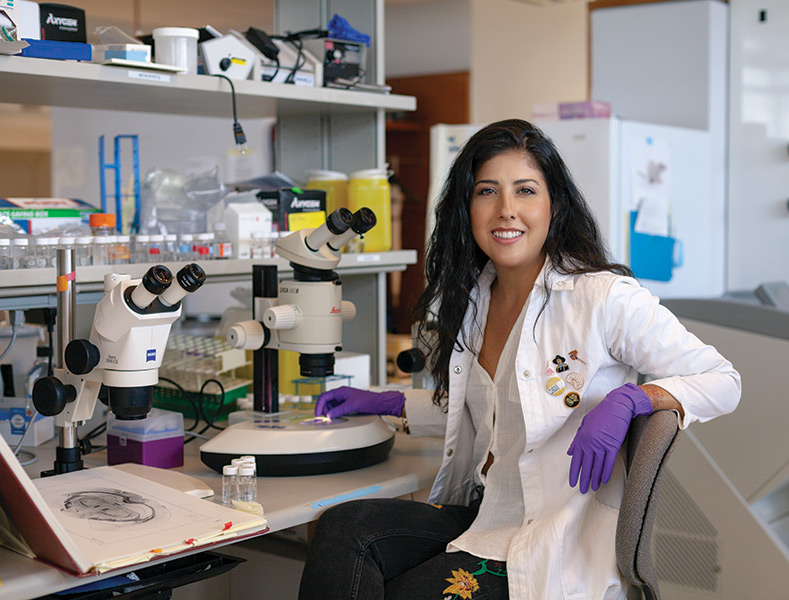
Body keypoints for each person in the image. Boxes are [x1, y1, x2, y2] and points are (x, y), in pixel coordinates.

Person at [298, 119, 740, 600]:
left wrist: (637, 398)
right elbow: (492, 409)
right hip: (487, 511)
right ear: (466, 207)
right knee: (342, 528)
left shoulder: (602, 297)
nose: (506, 210)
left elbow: (722, 378)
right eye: (487, 191)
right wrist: (388, 402)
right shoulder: (473, 299)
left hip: (551, 538)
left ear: (554, 205)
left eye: (525, 190)